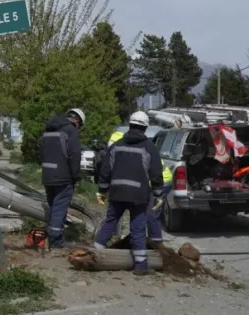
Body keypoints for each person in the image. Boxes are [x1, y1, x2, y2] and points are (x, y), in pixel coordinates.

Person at [94, 110, 164, 275]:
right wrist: (158, 193)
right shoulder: (149, 147)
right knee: (138, 229)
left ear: (130, 126)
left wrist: (102, 191)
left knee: (110, 223)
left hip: (117, 193)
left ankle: (95, 254)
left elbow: (105, 169)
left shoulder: (116, 145)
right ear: (145, 128)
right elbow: (156, 171)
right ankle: (140, 266)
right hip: (139, 196)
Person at [39, 107, 85, 248]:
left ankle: (52, 236)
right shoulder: (71, 131)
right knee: (59, 208)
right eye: (80, 125)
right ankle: (56, 240)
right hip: (63, 177)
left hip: (47, 175)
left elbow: (41, 150)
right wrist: (75, 175)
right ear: (77, 120)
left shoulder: (49, 129)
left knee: (53, 207)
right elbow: (75, 155)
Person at [147, 163, 174, 247]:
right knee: (152, 212)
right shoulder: (148, 152)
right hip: (162, 182)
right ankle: (155, 240)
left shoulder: (145, 153)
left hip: (160, 183)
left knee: (152, 213)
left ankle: (157, 242)